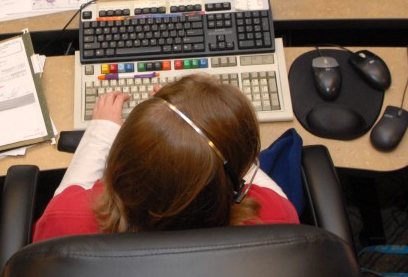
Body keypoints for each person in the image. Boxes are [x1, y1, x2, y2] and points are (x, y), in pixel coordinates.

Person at [33, 73, 299, 242]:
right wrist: (226, 138)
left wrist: (102, 130)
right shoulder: (276, 222)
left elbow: (69, 188)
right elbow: (246, 172)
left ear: (118, 162)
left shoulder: (66, 222)